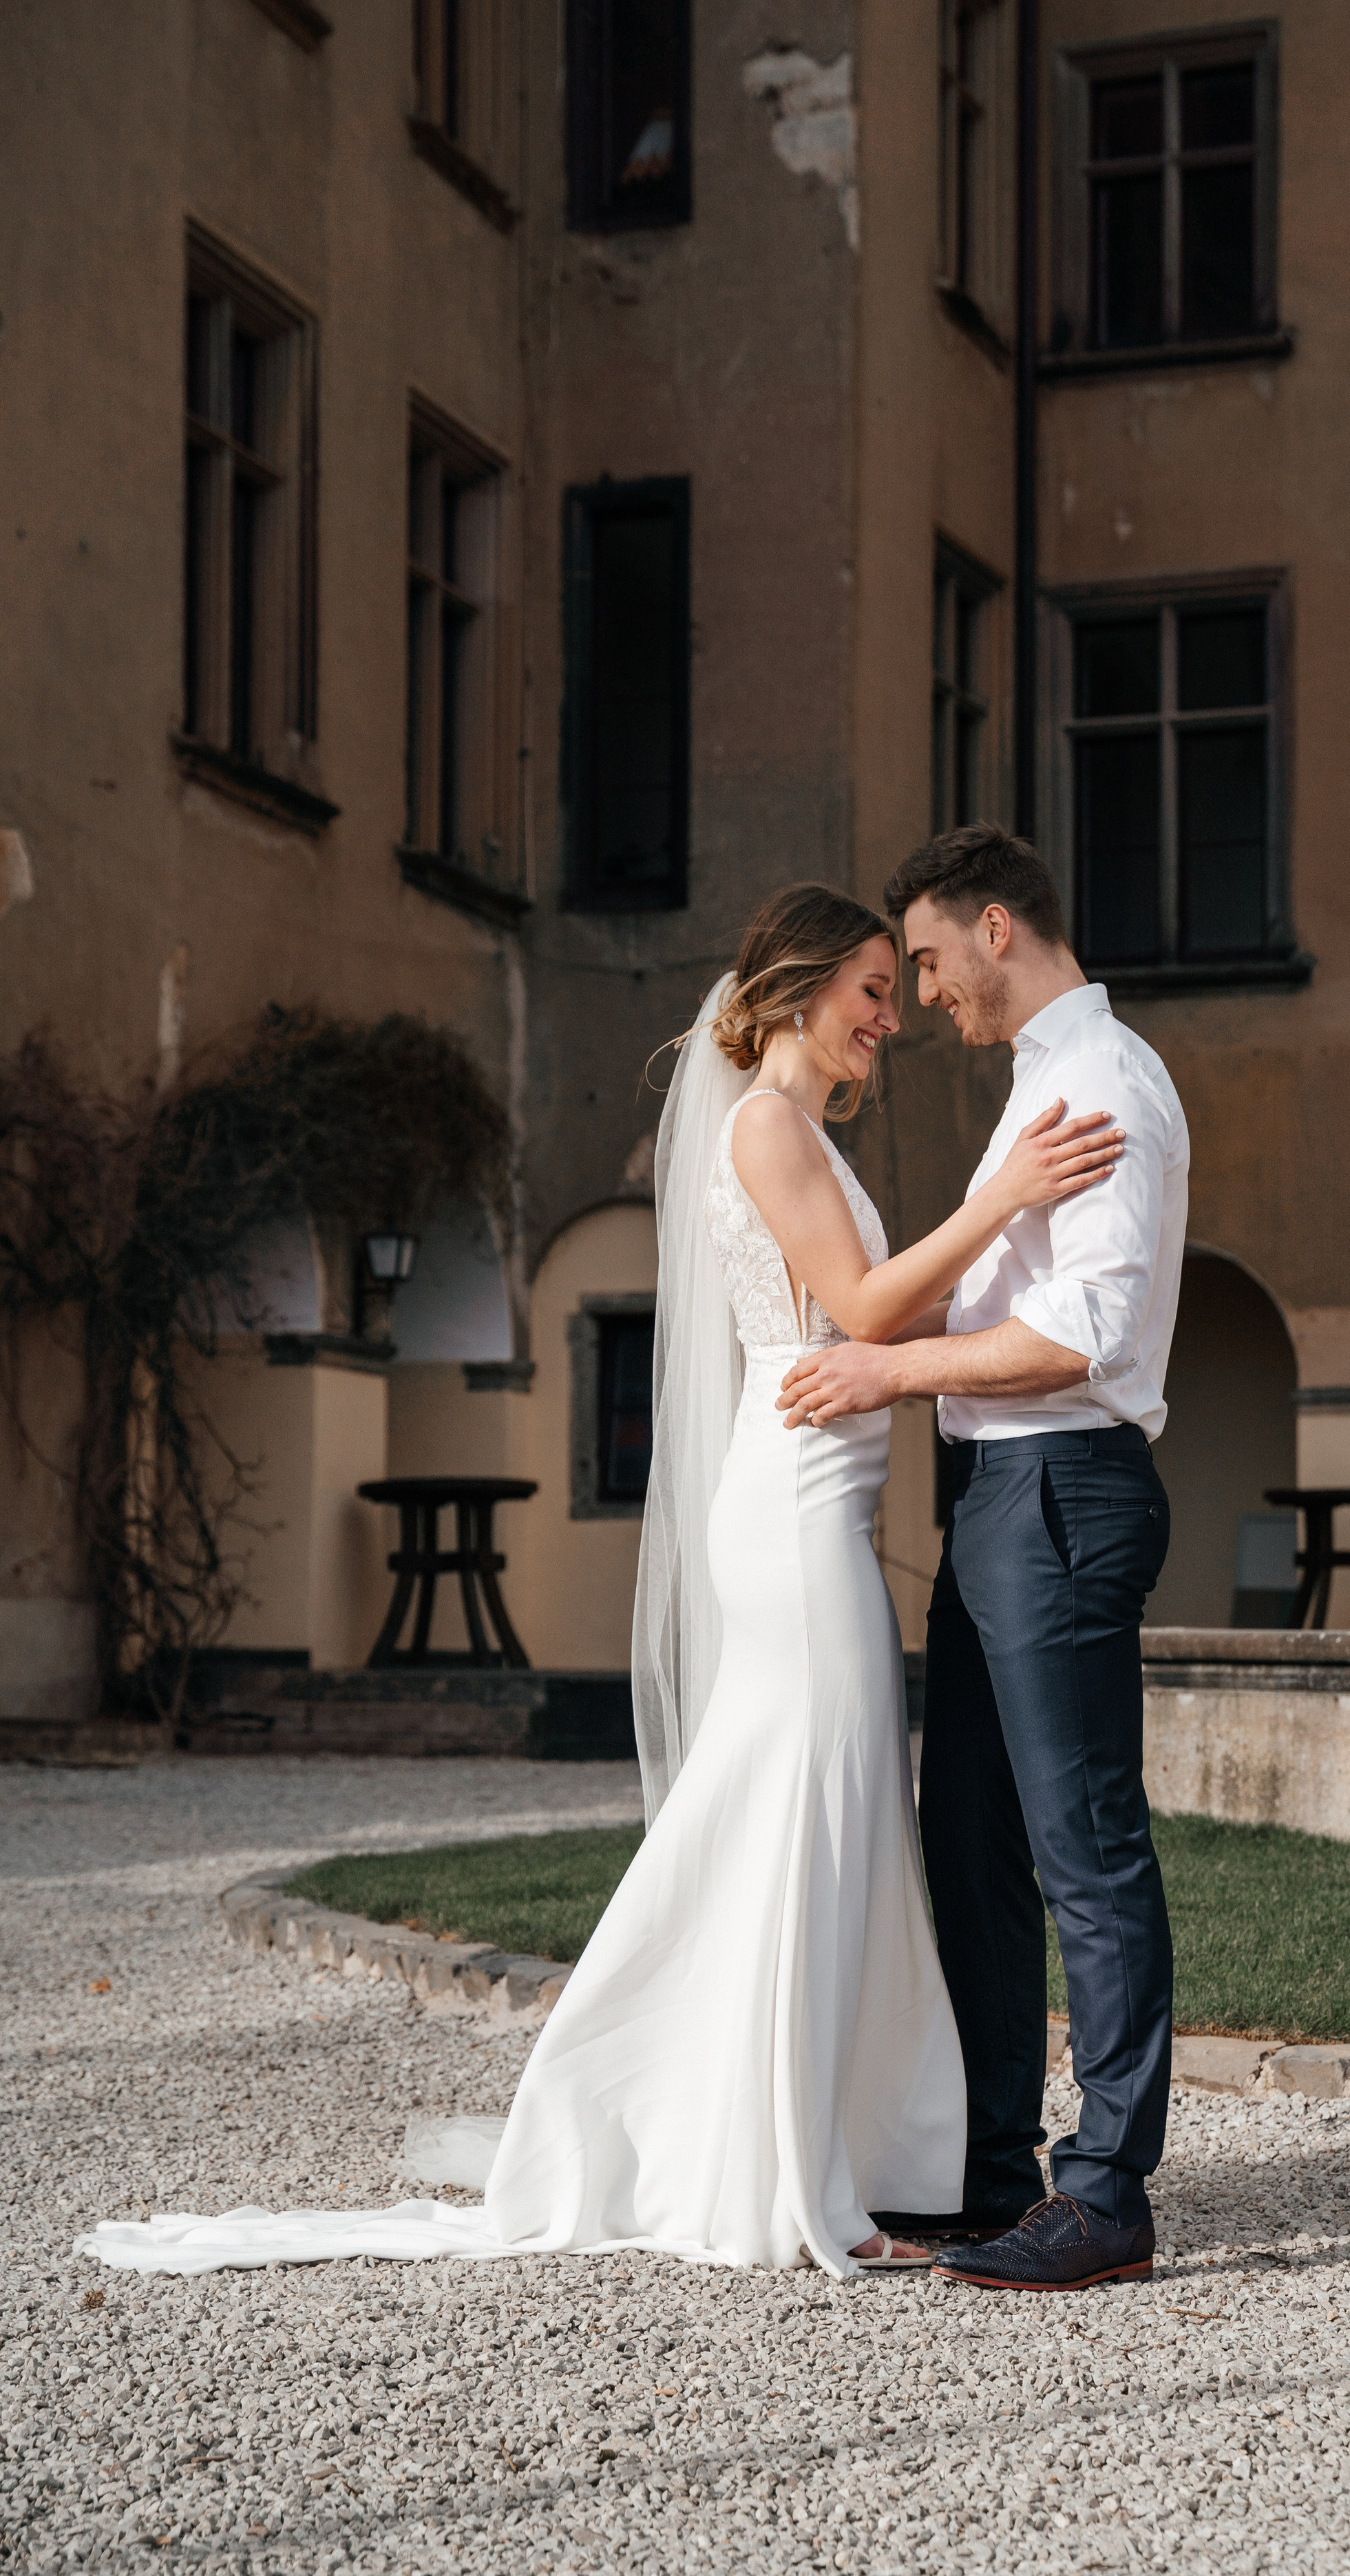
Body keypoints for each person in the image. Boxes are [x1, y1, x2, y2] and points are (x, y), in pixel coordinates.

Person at [75, 882, 1124, 2282]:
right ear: (800, 992)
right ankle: (778, 2163)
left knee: (818, 1809)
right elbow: (866, 1314)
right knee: (804, 1805)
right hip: (797, 1511)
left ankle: (812, 2136)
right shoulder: (764, 1126)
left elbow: (883, 1311)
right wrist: (1002, 1201)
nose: (890, 1018)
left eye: (891, 990)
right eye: (872, 990)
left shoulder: (797, 1132)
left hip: (825, 1499)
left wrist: (1004, 1257)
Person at [778, 829, 1190, 2294]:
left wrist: (885, 1377)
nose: (925, 998)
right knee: (969, 1836)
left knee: (1082, 1851)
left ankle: (1107, 2196)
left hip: (1062, 1482)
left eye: (933, 963)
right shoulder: (1036, 1087)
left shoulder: (1102, 1083)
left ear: (997, 926)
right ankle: (990, 2172)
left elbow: (1077, 1337)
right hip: (999, 1496)